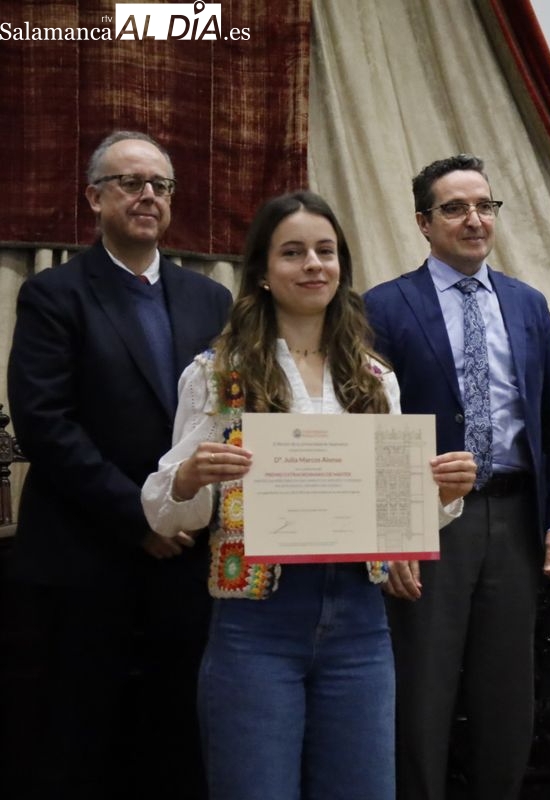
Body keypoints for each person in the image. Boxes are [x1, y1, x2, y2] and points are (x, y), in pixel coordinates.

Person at [140, 191, 477, 800]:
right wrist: (190, 477)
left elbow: (392, 510)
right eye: (292, 253)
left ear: (342, 265)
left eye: (325, 251)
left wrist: (440, 492)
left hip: (360, 622)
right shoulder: (219, 373)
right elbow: (168, 507)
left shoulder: (375, 379)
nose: (313, 265)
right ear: (264, 273)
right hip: (257, 622)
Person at [2, 131, 231, 800]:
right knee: (79, 744)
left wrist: (180, 517)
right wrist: (139, 516)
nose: (147, 196)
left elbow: (225, 418)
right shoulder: (53, 295)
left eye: (159, 185)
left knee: (175, 741)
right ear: (93, 197)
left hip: (189, 563)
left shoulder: (210, 300)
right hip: (86, 558)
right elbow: (46, 425)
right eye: (130, 183)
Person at [363, 153, 550, 800]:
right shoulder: (384, 305)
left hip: (515, 519)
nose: (474, 219)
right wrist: (393, 530)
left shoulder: (527, 304)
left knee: (507, 697)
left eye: (485, 205)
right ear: (424, 223)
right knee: (422, 691)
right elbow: (372, 425)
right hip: (433, 523)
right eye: (455, 208)